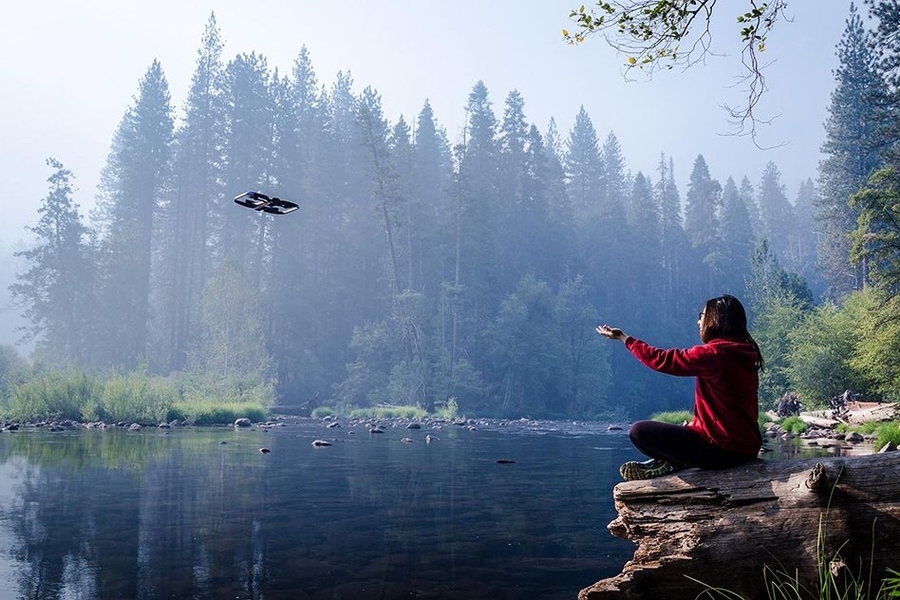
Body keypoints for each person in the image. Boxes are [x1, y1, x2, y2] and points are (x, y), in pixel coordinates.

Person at [595, 294, 764, 481]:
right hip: (747, 448)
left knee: (638, 432)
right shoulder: (746, 353)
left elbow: (662, 359)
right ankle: (679, 458)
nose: (699, 321)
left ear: (716, 319)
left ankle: (676, 460)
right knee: (684, 430)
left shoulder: (714, 354)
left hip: (721, 451)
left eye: (702, 316)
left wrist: (624, 338)